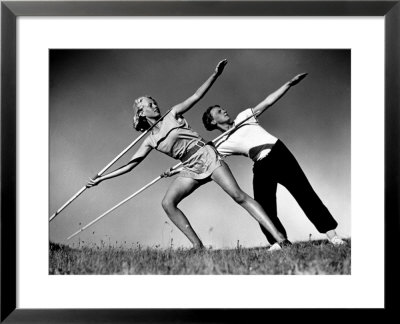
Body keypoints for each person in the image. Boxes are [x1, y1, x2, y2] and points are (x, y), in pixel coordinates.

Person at [87, 60, 290, 249]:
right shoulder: (149, 140)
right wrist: (101, 178)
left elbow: (196, 96)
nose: (155, 105)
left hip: (206, 155)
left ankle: (281, 240)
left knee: (238, 196)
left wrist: (215, 75)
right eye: (149, 104)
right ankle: (198, 247)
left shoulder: (173, 114)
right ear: (141, 113)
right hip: (190, 167)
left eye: (154, 102)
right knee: (168, 203)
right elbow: (131, 164)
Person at [202, 73, 345, 251]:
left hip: (278, 153)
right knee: (263, 204)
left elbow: (268, 101)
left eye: (221, 108)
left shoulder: (244, 116)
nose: (223, 110)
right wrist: (174, 170)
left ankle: (332, 235)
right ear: (212, 121)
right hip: (261, 165)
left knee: (303, 192)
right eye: (218, 111)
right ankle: (278, 242)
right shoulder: (220, 144)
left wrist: (289, 84)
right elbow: (201, 158)